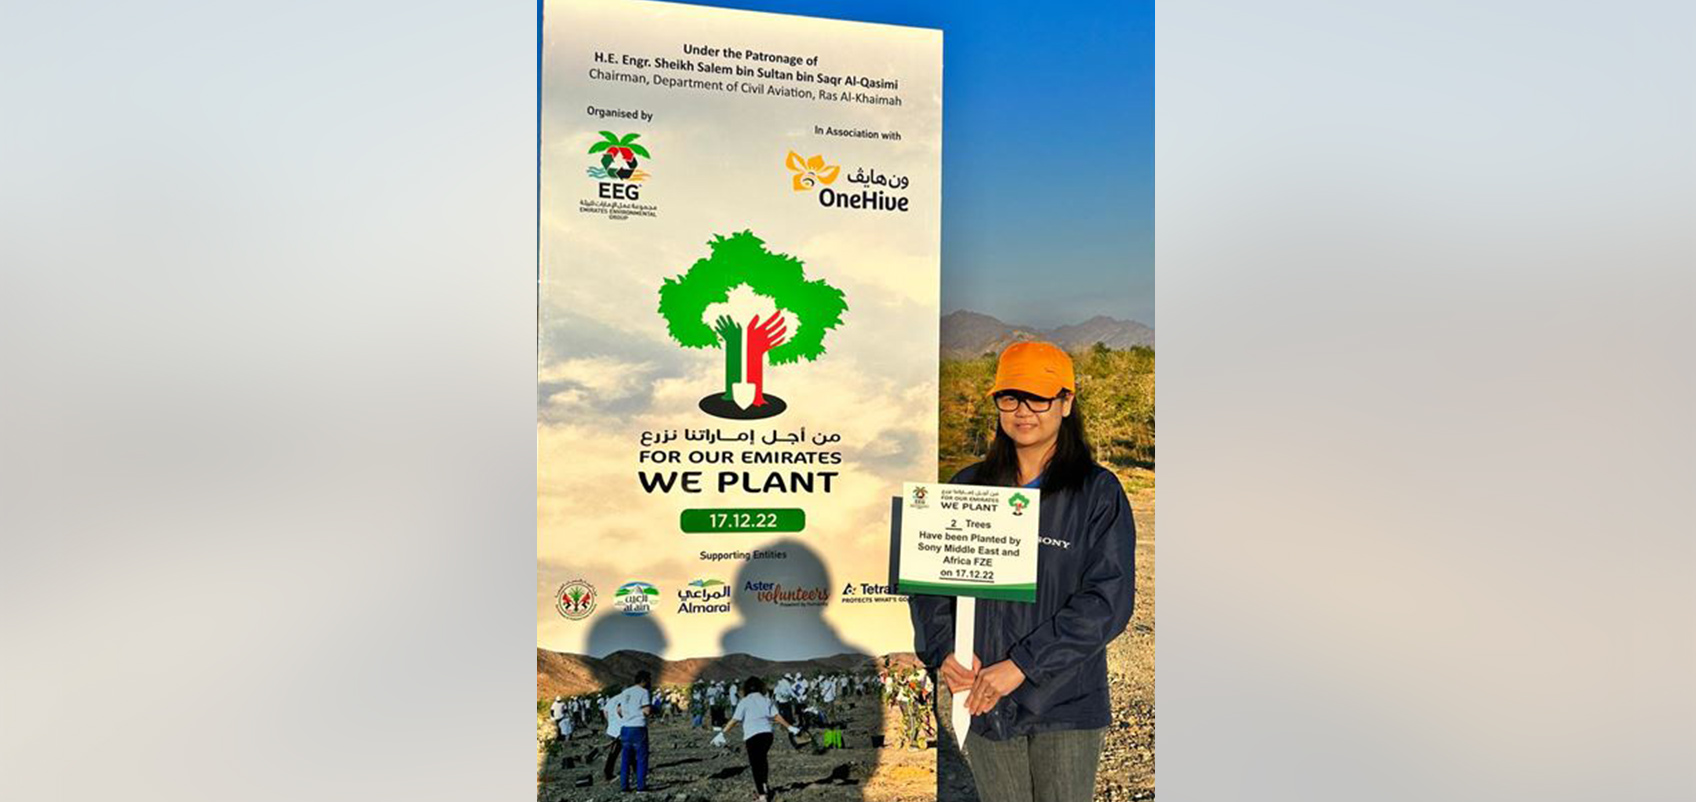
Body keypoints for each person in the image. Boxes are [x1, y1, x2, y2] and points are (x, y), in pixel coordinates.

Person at [908, 341, 1136, 802]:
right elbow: (930, 587)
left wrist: (1022, 666)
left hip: (1065, 701)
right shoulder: (967, 485)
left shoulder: (1097, 492)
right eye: (1010, 397)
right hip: (982, 698)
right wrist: (945, 652)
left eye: (1038, 397)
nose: (1023, 410)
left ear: (1066, 403)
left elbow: (1107, 601)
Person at [714, 676, 800, 802]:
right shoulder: (766, 700)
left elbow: (734, 720)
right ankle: (764, 786)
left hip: (752, 736)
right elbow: (776, 716)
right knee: (762, 761)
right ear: (760, 687)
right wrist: (790, 727)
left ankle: (762, 796)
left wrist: (722, 733)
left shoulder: (744, 702)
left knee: (756, 765)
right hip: (767, 735)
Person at [614, 671, 654, 792]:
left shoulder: (625, 692)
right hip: (638, 728)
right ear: (644, 680)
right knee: (641, 759)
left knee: (625, 759)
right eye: (649, 680)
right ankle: (641, 787)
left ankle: (624, 786)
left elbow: (619, 710)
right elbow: (646, 711)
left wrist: (627, 716)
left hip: (625, 728)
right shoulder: (644, 692)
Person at [598, 692, 624, 783]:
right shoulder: (624, 699)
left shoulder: (612, 699)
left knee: (616, 752)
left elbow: (605, 712)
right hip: (620, 730)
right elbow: (620, 710)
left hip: (612, 729)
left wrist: (611, 722)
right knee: (615, 753)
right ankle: (608, 773)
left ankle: (634, 768)